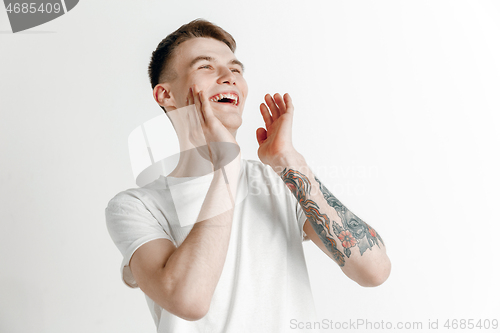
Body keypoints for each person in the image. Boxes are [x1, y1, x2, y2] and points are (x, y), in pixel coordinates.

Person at [105, 19, 391, 332]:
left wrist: (288, 160)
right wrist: (226, 167)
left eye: (236, 69)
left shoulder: (281, 181)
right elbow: (189, 301)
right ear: (165, 95)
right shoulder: (136, 207)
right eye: (206, 67)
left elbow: (374, 270)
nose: (230, 77)